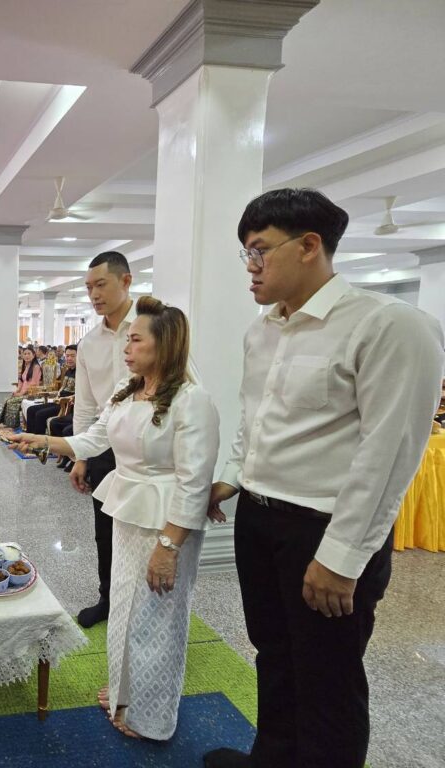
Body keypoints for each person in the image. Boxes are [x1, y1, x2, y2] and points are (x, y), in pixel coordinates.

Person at [203, 189, 445, 768]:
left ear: (310, 245)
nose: (250, 267)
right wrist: (232, 477)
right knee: (273, 654)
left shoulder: (387, 325)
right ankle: (272, 757)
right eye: (246, 253)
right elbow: (256, 421)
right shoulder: (263, 331)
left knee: (327, 676)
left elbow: (389, 453)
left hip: (325, 528)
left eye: (259, 250)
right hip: (259, 518)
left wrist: (342, 556)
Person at [12, 297, 220, 741]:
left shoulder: (191, 401)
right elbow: (91, 440)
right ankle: (126, 691)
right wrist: (39, 440)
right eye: (128, 339)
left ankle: (152, 718)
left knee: (158, 619)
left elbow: (194, 482)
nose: (127, 348)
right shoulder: (128, 391)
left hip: (167, 524)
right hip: (128, 512)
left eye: (136, 340)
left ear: (164, 345)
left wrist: (169, 547)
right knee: (125, 607)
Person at [71, 251, 136, 628]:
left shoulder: (152, 327)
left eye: (101, 285)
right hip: (103, 445)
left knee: (140, 530)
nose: (94, 295)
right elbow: (84, 406)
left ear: (126, 281)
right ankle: (108, 599)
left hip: (145, 446)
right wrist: (81, 457)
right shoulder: (89, 343)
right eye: (88, 288)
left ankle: (140, 604)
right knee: (105, 529)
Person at [26, 344, 77, 434]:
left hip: (67, 405)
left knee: (40, 414)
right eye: (67, 356)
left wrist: (63, 399)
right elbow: (62, 389)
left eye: (72, 356)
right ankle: (30, 437)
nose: (69, 358)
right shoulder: (68, 371)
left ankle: (39, 440)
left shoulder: (81, 373)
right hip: (58, 402)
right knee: (31, 410)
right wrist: (54, 394)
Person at [0, 345, 41, 428]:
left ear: (34, 355)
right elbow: (21, 380)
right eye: (25, 354)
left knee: (11, 401)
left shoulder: (36, 367)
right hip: (23, 392)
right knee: (8, 399)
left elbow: (33, 383)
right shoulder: (26, 366)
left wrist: (21, 394)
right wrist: (17, 390)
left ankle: (13, 424)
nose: (27, 356)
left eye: (29, 354)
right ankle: (8, 423)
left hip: (32, 393)